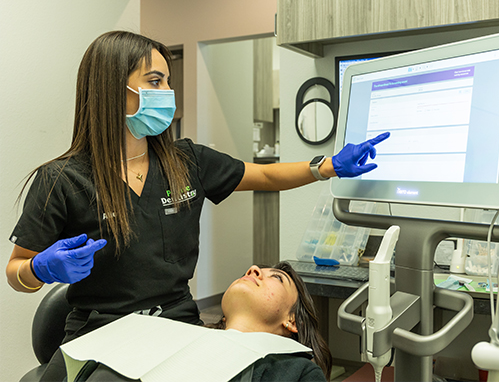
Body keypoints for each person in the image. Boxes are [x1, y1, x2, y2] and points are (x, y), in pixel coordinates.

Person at [5, 31, 389, 381]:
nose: (167, 91)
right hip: (98, 334)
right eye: (155, 81)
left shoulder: (186, 161)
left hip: (175, 324)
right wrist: (38, 268)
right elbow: (16, 270)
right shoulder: (63, 180)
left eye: (168, 81)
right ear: (111, 89)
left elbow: (266, 177)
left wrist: (328, 167)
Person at [67, 262, 331, 382]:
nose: (253, 270)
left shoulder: (294, 371)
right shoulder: (179, 339)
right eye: (254, 269)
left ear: (292, 320)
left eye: (277, 278)